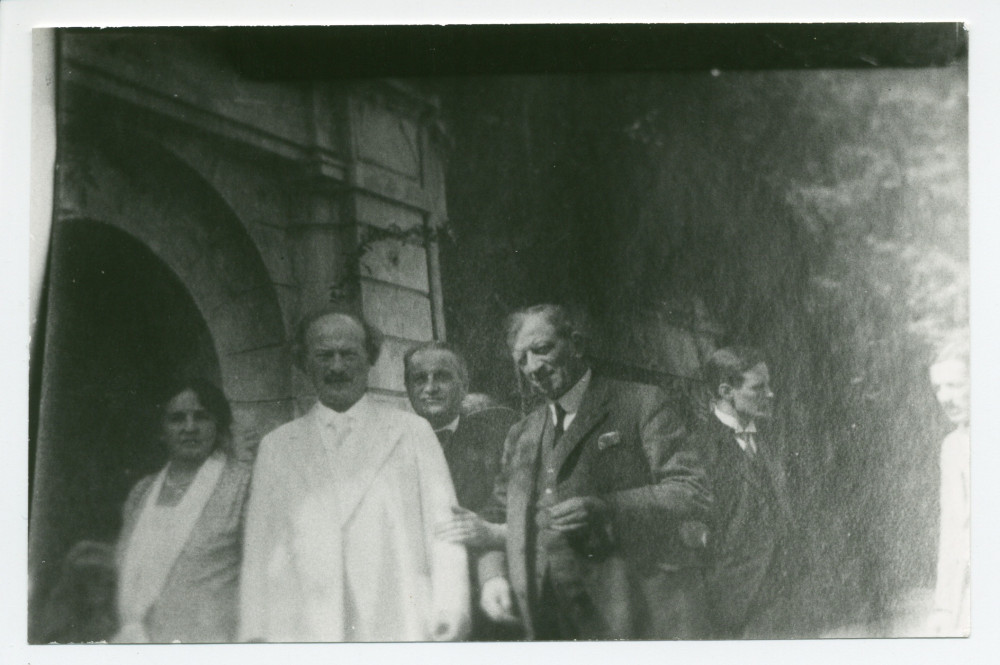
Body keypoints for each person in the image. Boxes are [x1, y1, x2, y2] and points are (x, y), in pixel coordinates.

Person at [477, 304, 713, 640]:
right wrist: (493, 577)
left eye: (542, 350)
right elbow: (495, 515)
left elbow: (692, 491)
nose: (533, 368)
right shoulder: (522, 433)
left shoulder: (641, 403)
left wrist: (606, 507)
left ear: (575, 344)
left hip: (631, 611)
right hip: (550, 618)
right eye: (521, 360)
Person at [240, 308, 470, 642]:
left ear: (369, 358)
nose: (336, 367)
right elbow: (259, 550)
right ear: (305, 363)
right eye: (324, 355)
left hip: (398, 620)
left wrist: (451, 607)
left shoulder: (411, 432)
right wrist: (254, 634)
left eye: (348, 354)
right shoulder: (277, 446)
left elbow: (445, 530)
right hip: (304, 628)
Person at [114, 378, 252, 643]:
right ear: (161, 430)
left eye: (201, 417)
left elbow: (262, 576)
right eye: (177, 419)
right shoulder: (141, 493)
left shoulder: (244, 486)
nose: (190, 428)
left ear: (218, 425)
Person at [404, 342, 521, 640]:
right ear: (407, 388)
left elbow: (498, 513)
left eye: (441, 377)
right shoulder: (394, 447)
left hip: (486, 599)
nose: (430, 388)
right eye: (419, 379)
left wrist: (493, 576)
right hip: (416, 605)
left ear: (464, 384)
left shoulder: (499, 440)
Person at [697, 347, 794, 639]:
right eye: (758, 388)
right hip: (733, 599)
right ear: (726, 391)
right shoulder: (698, 446)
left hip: (785, 591)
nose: (771, 394)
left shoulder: (776, 437)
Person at [926, 334, 970, 636]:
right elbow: (953, 529)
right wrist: (944, 606)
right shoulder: (953, 446)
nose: (945, 397)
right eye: (938, 388)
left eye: (954, 385)